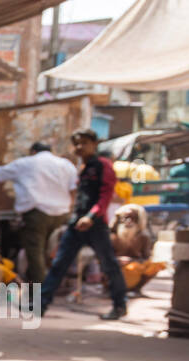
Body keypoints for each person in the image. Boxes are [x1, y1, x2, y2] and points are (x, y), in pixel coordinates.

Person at [41, 128, 126, 320]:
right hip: (77, 223)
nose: (80, 147)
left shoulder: (103, 165)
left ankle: (120, 305)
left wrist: (91, 216)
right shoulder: (84, 167)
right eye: (77, 143)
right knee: (59, 264)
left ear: (95, 144)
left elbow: (105, 195)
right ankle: (41, 304)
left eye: (84, 143)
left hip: (95, 225)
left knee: (109, 265)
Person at [0, 141, 77, 284]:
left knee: (35, 252)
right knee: (56, 251)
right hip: (62, 214)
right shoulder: (66, 165)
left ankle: (42, 289)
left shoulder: (26, 163)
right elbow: (73, 189)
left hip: (37, 214)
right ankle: (53, 284)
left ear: (33, 151)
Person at [109, 203, 166, 296]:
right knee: (104, 264)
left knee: (157, 265)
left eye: (132, 218)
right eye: (125, 217)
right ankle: (110, 289)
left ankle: (136, 289)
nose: (128, 221)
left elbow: (146, 258)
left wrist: (132, 260)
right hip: (116, 267)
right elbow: (104, 256)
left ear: (138, 220)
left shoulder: (144, 237)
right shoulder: (112, 236)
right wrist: (118, 260)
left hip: (135, 269)